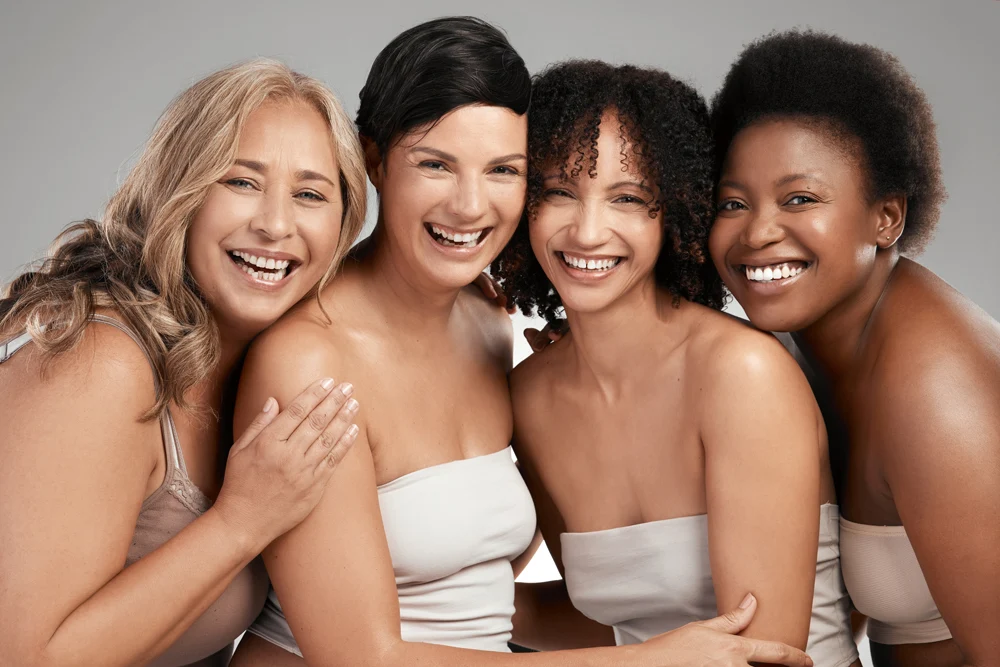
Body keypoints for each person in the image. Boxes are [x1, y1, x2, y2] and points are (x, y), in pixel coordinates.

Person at [231, 17, 811, 667]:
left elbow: (499, 607)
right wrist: (648, 660)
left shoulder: (486, 319)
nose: (469, 204)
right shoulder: (309, 357)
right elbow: (360, 656)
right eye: (435, 164)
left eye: (503, 169)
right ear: (373, 161)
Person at [0, 59, 367, 667]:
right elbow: (24, 657)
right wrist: (240, 523)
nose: (276, 224)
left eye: (308, 195)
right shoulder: (102, 360)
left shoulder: (268, 363)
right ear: (180, 190)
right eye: (241, 182)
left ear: (343, 225)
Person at [493, 60, 857, 667]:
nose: (586, 231)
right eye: (558, 191)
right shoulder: (528, 397)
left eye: (628, 198)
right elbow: (612, 627)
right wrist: (453, 602)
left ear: (677, 214)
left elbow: (760, 656)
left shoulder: (742, 376)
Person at [709, 30, 1000, 666]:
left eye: (800, 199)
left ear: (887, 218)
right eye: (733, 202)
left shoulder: (937, 390)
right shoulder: (790, 348)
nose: (757, 232)